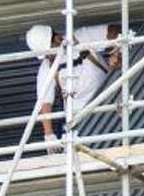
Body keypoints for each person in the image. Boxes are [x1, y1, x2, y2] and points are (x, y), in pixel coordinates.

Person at [25, 23, 122, 155]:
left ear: (57, 39)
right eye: (46, 55)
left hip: (109, 106)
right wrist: (49, 134)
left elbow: (114, 31)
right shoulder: (47, 67)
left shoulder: (81, 38)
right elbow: (45, 102)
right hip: (78, 121)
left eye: (50, 52)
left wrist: (116, 52)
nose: (49, 57)